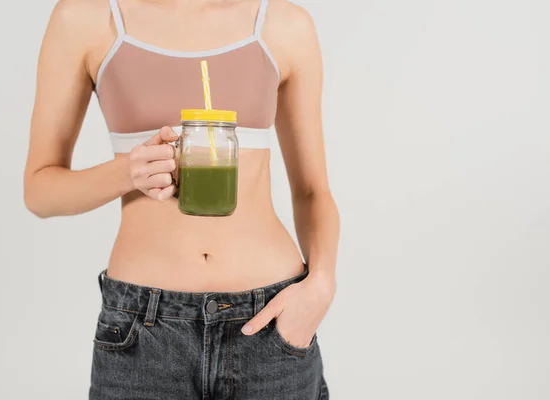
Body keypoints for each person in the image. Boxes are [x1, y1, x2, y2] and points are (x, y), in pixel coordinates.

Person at [24, 0, 339, 398]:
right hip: (142, 330)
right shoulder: (88, 19)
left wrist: (321, 285)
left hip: (270, 322)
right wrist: (126, 173)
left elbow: (313, 191)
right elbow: (39, 191)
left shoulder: (283, 24)